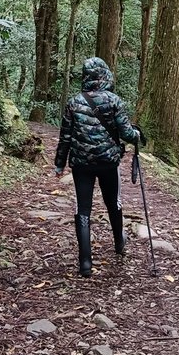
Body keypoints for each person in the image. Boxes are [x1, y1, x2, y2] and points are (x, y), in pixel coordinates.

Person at [55, 56, 141, 277]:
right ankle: (119, 243)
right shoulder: (114, 101)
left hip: (81, 165)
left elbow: (65, 137)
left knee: (82, 209)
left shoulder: (74, 102)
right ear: (104, 75)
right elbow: (126, 133)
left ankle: (85, 263)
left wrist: (59, 164)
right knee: (114, 203)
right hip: (108, 163)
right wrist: (137, 135)